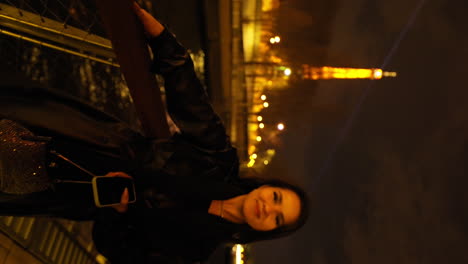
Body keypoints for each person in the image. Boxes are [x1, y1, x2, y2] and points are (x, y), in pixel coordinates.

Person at [0, 2, 308, 263]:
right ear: (268, 186)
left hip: (70, 195)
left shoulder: (197, 250)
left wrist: (117, 212)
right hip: (86, 138)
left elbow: (120, 253)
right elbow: (192, 104)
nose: (268, 208)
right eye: (277, 197)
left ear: (270, 231)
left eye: (277, 218)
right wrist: (164, 43)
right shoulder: (219, 161)